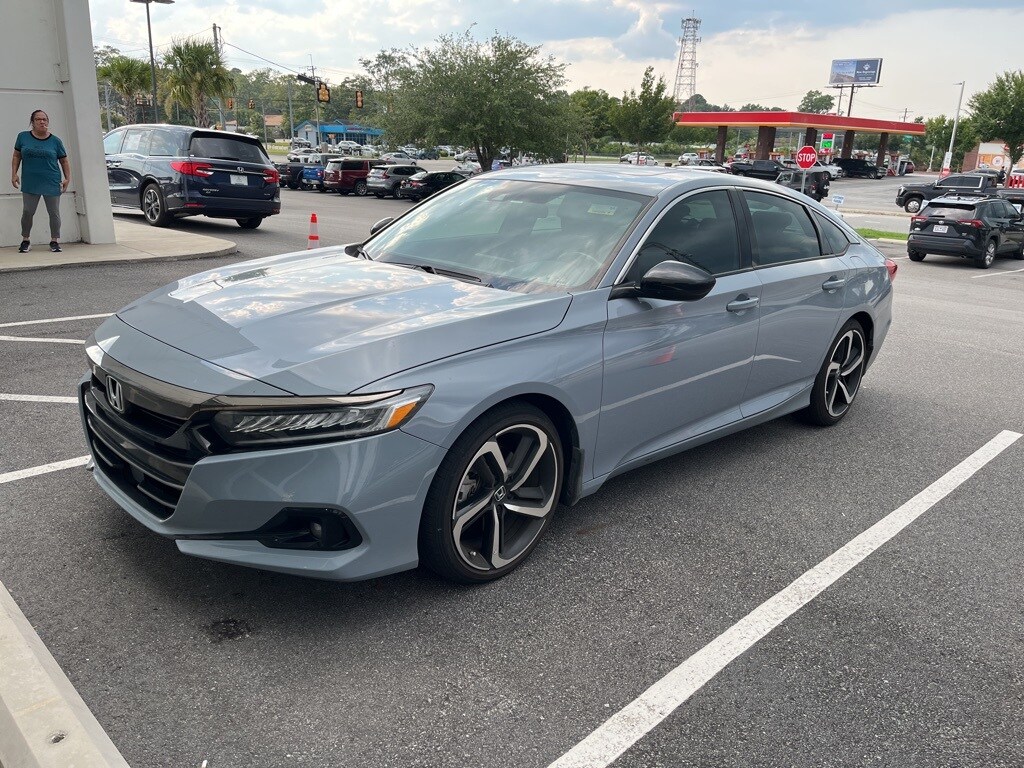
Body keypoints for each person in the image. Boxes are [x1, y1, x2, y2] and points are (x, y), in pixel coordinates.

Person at [11, 109, 70, 253]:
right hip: (30, 181)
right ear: (32, 122)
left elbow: (64, 161)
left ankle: (54, 241)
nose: (42, 121)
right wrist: (14, 174)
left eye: (44, 119)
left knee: (54, 212)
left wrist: (67, 178)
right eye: (38, 119)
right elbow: (16, 156)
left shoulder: (55, 141)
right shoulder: (23, 137)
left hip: (51, 181)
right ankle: (26, 240)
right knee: (27, 212)